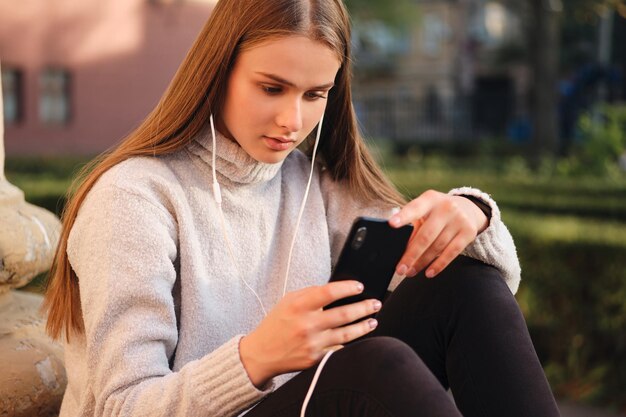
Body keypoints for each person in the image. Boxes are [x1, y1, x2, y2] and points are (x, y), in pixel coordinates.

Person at [43, 1, 561, 416]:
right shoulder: (134, 197)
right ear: (218, 71)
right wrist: (256, 359)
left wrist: (471, 215)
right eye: (272, 88)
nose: (293, 120)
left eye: (316, 94)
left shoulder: (314, 178)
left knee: (465, 286)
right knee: (373, 365)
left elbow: (478, 305)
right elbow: (118, 406)